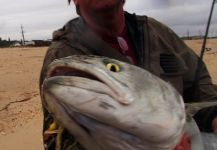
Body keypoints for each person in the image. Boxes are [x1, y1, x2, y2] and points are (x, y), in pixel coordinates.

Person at [39, 0, 217, 149]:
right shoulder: (64, 58)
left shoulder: (157, 32)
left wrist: (213, 115)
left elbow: (198, 79)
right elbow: (56, 141)